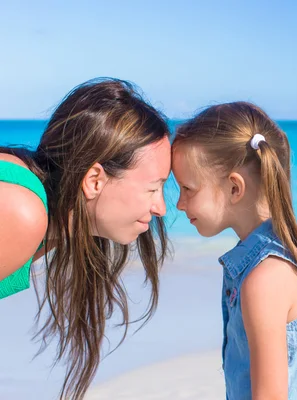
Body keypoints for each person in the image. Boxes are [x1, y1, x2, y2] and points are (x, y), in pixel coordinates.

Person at [0, 78, 172, 400]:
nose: (160, 208)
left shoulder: (47, 221)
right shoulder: (21, 210)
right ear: (94, 180)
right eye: (153, 188)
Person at [172, 101, 297, 399]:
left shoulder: (264, 280)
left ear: (234, 188)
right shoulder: (285, 256)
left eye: (188, 188)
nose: (179, 203)